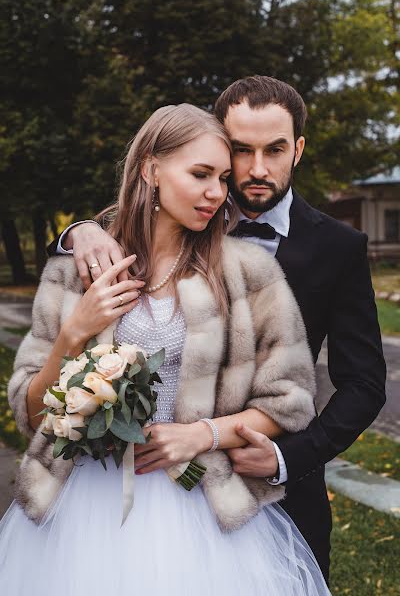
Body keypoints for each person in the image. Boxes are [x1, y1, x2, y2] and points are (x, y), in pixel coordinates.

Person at [50, 76, 387, 583]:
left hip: (273, 489)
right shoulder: (185, 213)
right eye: (239, 152)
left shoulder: (338, 247)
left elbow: (364, 384)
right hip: (137, 488)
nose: (256, 169)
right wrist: (77, 233)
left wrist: (285, 457)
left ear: (297, 149)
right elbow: (126, 225)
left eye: (274, 149)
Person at [0, 104, 330, 595]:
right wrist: (73, 335)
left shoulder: (248, 273)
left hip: (196, 501)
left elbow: (290, 402)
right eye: (200, 174)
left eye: (222, 178)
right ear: (151, 168)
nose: (216, 193)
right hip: (81, 505)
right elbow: (30, 411)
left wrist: (202, 434)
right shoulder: (76, 267)